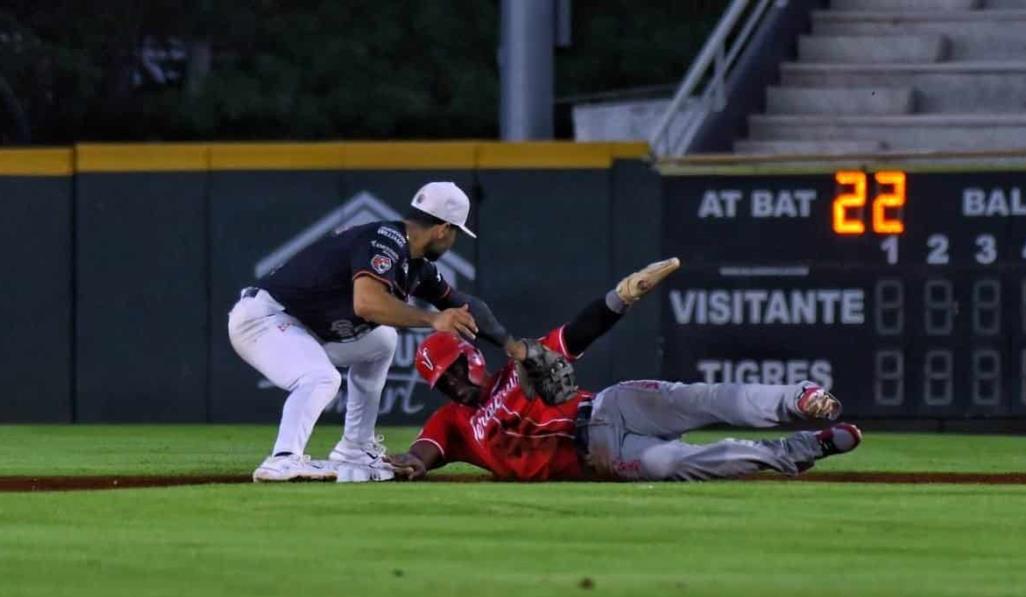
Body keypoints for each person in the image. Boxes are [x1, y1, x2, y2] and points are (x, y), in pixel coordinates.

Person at [386, 258, 862, 482]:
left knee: (701, 399)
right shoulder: (453, 425)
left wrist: (624, 295)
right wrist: (408, 463)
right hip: (602, 457)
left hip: (611, 406)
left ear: (471, 358)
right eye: (442, 383)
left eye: (453, 372)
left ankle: (798, 398)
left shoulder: (517, 364)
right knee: (681, 464)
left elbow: (577, 333)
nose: (451, 385)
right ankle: (795, 450)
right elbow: (420, 455)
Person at [228, 181, 529, 482]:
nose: (452, 242)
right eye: (454, 234)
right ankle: (283, 460)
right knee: (321, 377)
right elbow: (367, 304)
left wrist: (512, 346)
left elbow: (464, 304)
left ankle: (355, 449)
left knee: (382, 340)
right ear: (443, 229)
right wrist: (432, 319)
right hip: (263, 319)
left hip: (304, 326)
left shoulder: (416, 265)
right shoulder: (384, 240)